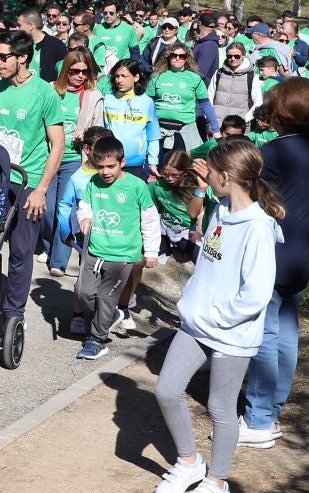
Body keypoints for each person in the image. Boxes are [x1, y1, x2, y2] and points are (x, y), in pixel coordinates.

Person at [152, 140, 284, 493]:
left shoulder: (258, 228)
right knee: (166, 390)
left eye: (209, 171)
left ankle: (217, 484)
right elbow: (209, 267)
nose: (204, 175)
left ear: (225, 177)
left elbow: (256, 295)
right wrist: (193, 307)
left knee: (220, 408)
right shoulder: (221, 209)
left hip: (231, 333)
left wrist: (217, 319)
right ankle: (190, 462)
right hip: (197, 323)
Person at [237, 78, 309, 450]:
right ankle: (271, 410)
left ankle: (258, 419)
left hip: (272, 257)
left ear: (285, 113)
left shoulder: (273, 153)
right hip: (303, 255)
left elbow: (249, 204)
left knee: (265, 334)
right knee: (286, 329)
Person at [0, 31, 65, 342]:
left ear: (22, 57)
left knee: (21, 253)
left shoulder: (44, 93)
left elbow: (57, 145)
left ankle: (13, 312)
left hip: (28, 182)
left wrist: (41, 190)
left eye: (3, 57)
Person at [71, 134, 158, 360]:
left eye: (111, 166)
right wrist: (85, 217)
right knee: (83, 293)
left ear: (122, 162)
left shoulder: (137, 186)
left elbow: (150, 220)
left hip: (123, 256)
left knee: (106, 297)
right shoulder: (93, 182)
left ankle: (97, 341)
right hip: (95, 250)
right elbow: (85, 205)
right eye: (100, 167)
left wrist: (151, 252)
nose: (105, 172)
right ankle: (107, 317)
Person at [44, 49, 103, 277]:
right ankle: (48, 247)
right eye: (75, 71)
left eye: (85, 72)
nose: (80, 76)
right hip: (48, 157)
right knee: (47, 210)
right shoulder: (50, 90)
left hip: (74, 159)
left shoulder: (93, 96)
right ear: (65, 71)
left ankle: (59, 261)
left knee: (65, 209)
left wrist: (86, 137)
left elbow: (99, 130)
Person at [101, 59, 160, 177]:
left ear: (136, 77)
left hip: (135, 164)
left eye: (124, 76)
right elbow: (102, 130)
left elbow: (153, 136)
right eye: (117, 76)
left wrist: (153, 163)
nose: (119, 80)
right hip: (110, 162)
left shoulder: (146, 102)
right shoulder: (107, 99)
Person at [150, 144, 207, 266]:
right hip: (165, 229)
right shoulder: (157, 186)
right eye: (166, 174)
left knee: (197, 260)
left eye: (174, 175)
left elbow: (194, 214)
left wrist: (200, 191)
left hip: (187, 232)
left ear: (185, 172)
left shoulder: (196, 187)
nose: (169, 178)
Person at [150, 43, 212, 153]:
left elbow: (205, 104)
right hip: (158, 129)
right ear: (168, 57)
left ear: (186, 59)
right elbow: (147, 102)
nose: (177, 58)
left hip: (183, 132)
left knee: (180, 163)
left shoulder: (195, 78)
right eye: (174, 55)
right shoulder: (157, 76)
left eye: (182, 56)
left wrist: (215, 128)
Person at [210, 45, 263, 127]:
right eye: (229, 56)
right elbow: (209, 96)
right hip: (216, 123)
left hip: (239, 126)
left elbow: (258, 101)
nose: (233, 59)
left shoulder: (251, 76)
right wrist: (210, 117)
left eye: (237, 56)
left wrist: (246, 118)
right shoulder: (219, 73)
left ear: (243, 56)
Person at [89, 0, 140, 70]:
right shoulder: (97, 29)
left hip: (120, 71)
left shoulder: (128, 29)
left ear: (118, 13)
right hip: (100, 71)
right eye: (105, 13)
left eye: (111, 13)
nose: (107, 15)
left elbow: (135, 52)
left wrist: (131, 69)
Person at [19, 9, 67, 82]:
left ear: (31, 26)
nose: (18, 29)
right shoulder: (20, 44)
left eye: (20, 25)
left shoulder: (56, 45)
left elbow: (63, 71)